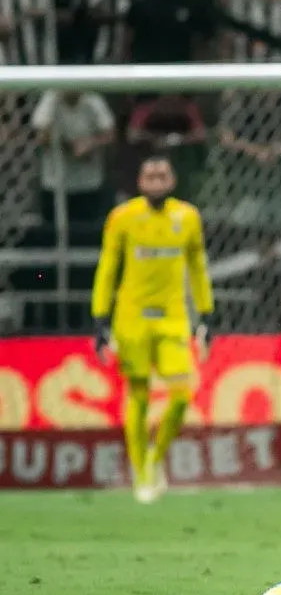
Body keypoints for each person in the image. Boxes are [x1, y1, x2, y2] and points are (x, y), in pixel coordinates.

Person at [91, 157, 213, 504]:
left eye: (162, 175)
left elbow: (198, 267)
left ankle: (156, 459)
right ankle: (141, 472)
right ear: (140, 181)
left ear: (172, 180)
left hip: (173, 319)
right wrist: (100, 319)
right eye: (150, 175)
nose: (156, 181)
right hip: (132, 320)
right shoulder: (123, 218)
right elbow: (107, 268)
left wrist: (206, 314)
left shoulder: (187, 217)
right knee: (139, 394)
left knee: (181, 395)